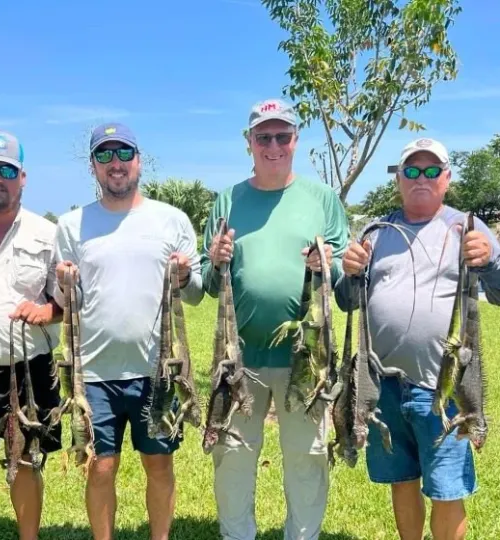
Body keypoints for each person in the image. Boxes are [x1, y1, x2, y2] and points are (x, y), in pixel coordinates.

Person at [334, 137, 500, 540]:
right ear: (398, 179)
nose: (420, 178)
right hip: (380, 385)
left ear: (446, 178)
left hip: (442, 388)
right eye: (411, 171)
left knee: (446, 489)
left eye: (430, 171)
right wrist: (350, 271)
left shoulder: (470, 230)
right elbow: (345, 302)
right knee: (402, 479)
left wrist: (491, 261)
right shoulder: (375, 232)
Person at [201, 98, 350, 540]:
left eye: (282, 136)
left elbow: (342, 271)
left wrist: (327, 263)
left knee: (307, 457)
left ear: (296, 141)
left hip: (305, 359)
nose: (273, 145)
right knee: (232, 458)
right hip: (239, 358)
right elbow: (211, 282)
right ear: (248, 142)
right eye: (263, 136)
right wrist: (214, 261)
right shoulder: (227, 200)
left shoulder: (321, 198)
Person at [52, 122, 204, 540]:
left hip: (157, 370)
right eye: (104, 155)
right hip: (93, 375)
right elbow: (63, 299)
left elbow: (196, 293)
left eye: (123, 154)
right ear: (93, 167)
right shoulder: (71, 225)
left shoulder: (170, 220)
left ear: (139, 161)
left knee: (159, 463)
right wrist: (63, 282)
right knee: (100, 467)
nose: (114, 164)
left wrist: (186, 275)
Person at [0, 131, 63, 539]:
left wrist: (47, 311)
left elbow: (67, 301)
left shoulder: (48, 233)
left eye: (7, 169)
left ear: (23, 177)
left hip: (29, 372)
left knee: (26, 462)